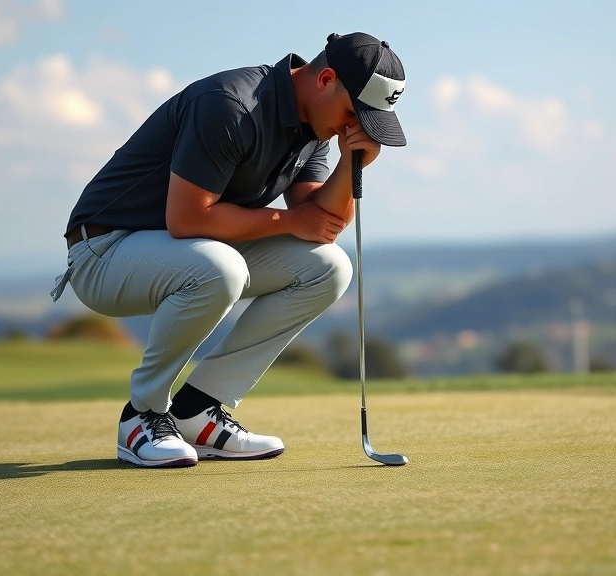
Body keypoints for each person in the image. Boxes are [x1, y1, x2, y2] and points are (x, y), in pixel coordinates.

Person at [50, 32, 407, 468]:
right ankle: (141, 416)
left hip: (188, 253)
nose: (353, 128)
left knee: (329, 268)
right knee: (221, 268)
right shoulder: (233, 105)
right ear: (326, 79)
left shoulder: (314, 126)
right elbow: (188, 218)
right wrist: (292, 220)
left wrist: (353, 162)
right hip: (103, 252)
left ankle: (198, 411)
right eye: (354, 114)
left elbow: (320, 224)